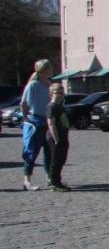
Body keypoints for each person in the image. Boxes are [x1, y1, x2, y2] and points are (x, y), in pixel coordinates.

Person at [20, 59, 53, 191]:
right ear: (43, 70)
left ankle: (49, 177)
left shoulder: (49, 84)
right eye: (49, 68)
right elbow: (23, 104)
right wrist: (26, 118)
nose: (51, 70)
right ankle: (27, 180)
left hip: (47, 121)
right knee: (31, 152)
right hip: (35, 121)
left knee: (49, 151)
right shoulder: (32, 85)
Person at [46, 82, 71, 192]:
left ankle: (57, 180)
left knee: (61, 159)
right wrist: (56, 138)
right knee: (56, 160)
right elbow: (51, 123)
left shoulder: (59, 106)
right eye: (57, 93)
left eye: (62, 92)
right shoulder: (51, 107)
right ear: (51, 94)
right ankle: (53, 182)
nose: (60, 95)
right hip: (55, 137)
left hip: (63, 136)